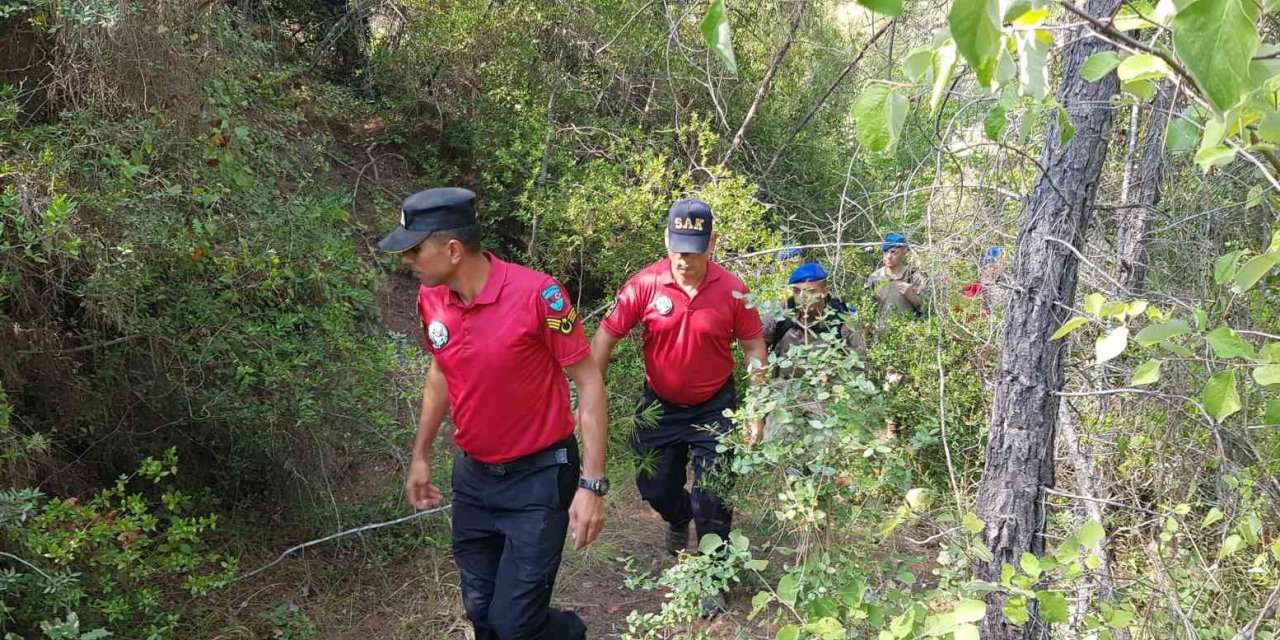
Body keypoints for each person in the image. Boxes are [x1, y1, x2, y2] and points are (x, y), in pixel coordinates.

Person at [381, 187, 608, 640]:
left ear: (451, 249)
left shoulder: (539, 295)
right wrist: (421, 454)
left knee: (515, 625)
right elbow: (440, 373)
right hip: (474, 481)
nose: (407, 259)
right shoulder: (433, 298)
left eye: (414, 249)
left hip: (538, 481)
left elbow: (588, 382)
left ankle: (568, 633)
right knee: (481, 613)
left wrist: (592, 484)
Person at [590, 198, 767, 618]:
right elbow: (605, 338)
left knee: (714, 497)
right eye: (677, 247)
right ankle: (676, 515)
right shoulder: (644, 284)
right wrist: (589, 394)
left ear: (712, 244)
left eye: (694, 248)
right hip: (659, 406)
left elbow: (754, 345)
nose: (684, 258)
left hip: (715, 407)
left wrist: (756, 408)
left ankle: (712, 577)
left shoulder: (732, 290)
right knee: (655, 487)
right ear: (667, 239)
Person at [764, 262, 865, 379]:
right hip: (783, 392)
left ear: (825, 291)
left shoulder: (841, 320)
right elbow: (755, 348)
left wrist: (835, 375)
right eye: (797, 291)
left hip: (827, 394)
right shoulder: (780, 315)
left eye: (810, 291)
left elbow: (860, 365)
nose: (802, 297)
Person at [865, 232, 927, 325]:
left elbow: (926, 309)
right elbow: (868, 312)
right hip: (881, 334)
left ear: (903, 252)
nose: (889, 256)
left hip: (907, 334)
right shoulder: (875, 277)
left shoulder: (913, 275)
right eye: (886, 252)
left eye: (894, 252)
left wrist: (911, 295)